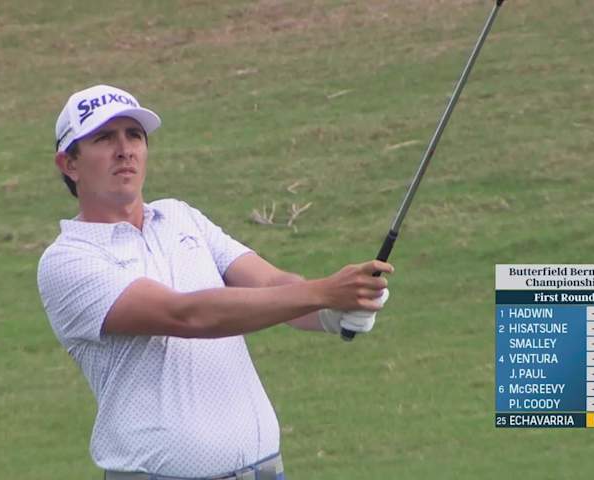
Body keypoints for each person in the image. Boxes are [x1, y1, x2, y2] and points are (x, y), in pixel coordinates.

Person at [37, 84, 393, 480]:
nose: (125, 149)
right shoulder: (68, 259)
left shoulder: (180, 216)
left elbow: (271, 283)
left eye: (134, 135)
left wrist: (334, 310)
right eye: (104, 138)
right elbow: (186, 315)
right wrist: (322, 292)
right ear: (69, 164)